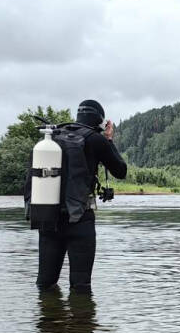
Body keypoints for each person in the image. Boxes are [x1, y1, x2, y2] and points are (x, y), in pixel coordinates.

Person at [35, 99, 127, 293]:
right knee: (81, 288)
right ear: (99, 121)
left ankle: (48, 318)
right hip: (80, 220)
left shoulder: (53, 137)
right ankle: (82, 322)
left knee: (45, 284)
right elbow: (120, 170)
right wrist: (109, 140)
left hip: (48, 218)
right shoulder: (95, 139)